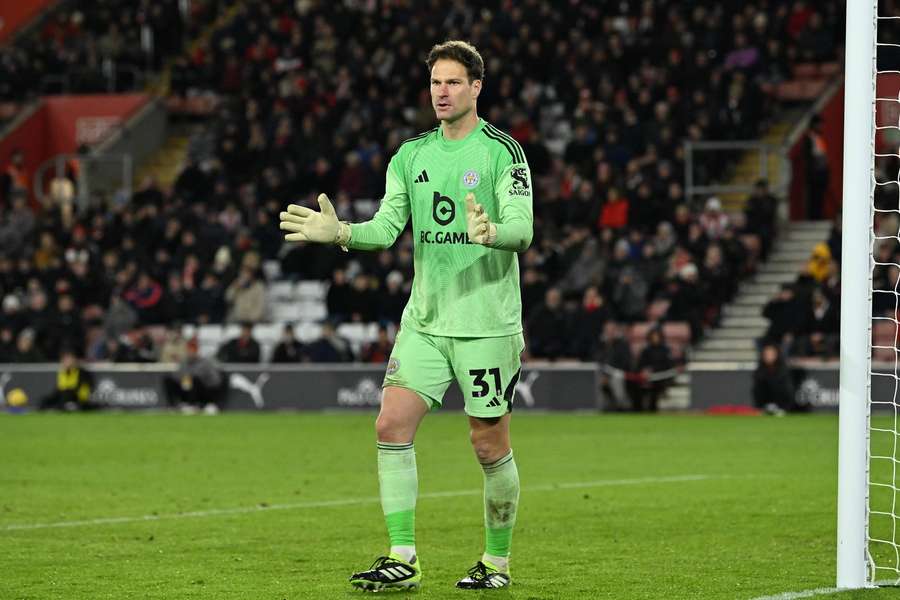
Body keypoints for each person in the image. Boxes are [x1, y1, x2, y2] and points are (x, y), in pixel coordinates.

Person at [279, 40, 532, 592]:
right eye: (435, 82)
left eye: (453, 82)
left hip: (486, 325)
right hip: (424, 322)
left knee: (488, 445)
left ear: (476, 88)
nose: (442, 91)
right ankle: (403, 556)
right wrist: (342, 233)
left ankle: (496, 562)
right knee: (390, 425)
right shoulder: (411, 155)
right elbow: (386, 227)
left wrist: (494, 231)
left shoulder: (503, 152)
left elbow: (523, 228)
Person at [164, 337, 226, 413]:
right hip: (186, 387)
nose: (190, 352)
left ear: (197, 351)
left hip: (204, 391)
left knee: (194, 380)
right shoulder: (184, 363)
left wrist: (202, 380)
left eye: (193, 350)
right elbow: (176, 376)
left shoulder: (205, 363)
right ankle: (173, 406)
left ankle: (194, 405)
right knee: (168, 379)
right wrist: (184, 379)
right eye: (189, 350)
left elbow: (216, 381)